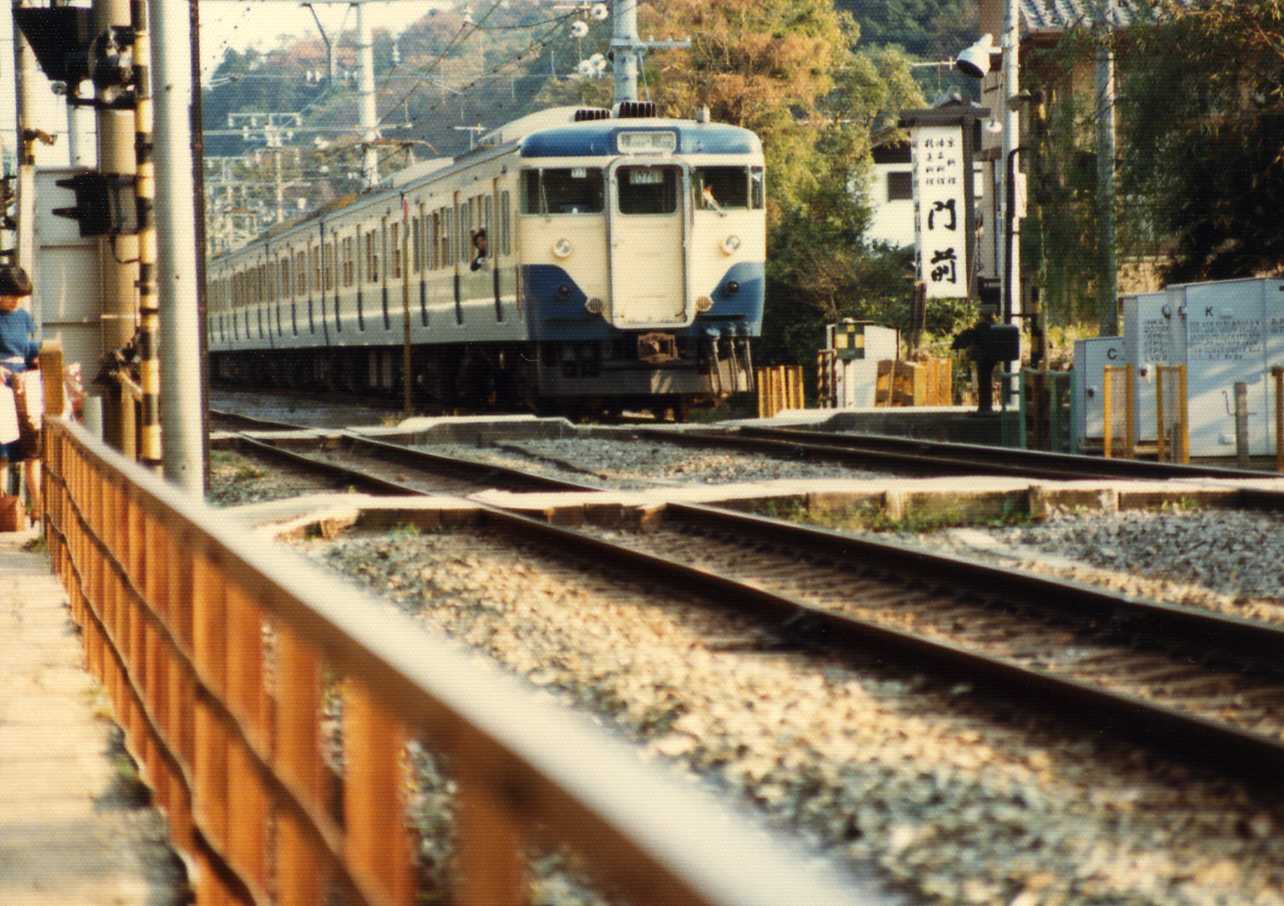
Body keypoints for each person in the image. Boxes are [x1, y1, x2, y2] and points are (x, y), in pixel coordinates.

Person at [0, 264, 41, 519]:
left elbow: (30, 350)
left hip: (23, 384)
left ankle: (40, 506)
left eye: (19, 297)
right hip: (0, 387)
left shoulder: (24, 318)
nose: (15, 301)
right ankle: (3, 507)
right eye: (11, 295)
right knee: (1, 452)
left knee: (32, 450)